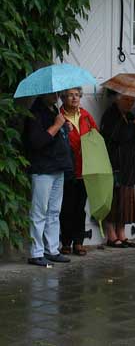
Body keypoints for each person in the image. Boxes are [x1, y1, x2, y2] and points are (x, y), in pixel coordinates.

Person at [24, 92, 73, 266]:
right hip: (43, 169)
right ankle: (36, 252)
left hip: (57, 167)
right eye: (53, 93)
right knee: (39, 211)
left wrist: (64, 127)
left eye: (58, 93)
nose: (57, 96)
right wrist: (56, 125)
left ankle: (52, 249)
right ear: (43, 93)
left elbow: (56, 137)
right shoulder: (35, 113)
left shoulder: (53, 110)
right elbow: (37, 142)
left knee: (54, 211)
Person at [59, 87, 97, 256]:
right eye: (70, 95)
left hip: (84, 169)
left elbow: (96, 137)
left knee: (80, 208)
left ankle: (79, 242)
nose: (74, 98)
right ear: (63, 98)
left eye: (77, 95)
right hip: (66, 168)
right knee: (66, 207)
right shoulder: (59, 116)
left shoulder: (86, 116)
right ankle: (66, 242)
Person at [101, 93, 135, 249]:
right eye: (127, 99)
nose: (130, 103)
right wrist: (133, 127)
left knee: (125, 199)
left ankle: (122, 233)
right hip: (115, 162)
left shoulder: (130, 116)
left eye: (132, 100)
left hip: (128, 163)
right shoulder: (110, 115)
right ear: (118, 99)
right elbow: (116, 136)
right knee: (114, 198)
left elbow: (130, 139)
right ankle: (111, 234)